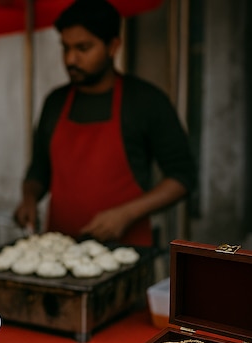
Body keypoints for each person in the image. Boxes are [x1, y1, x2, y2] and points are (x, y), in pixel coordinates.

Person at [13, 0, 197, 246]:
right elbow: (39, 168)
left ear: (113, 47)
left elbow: (182, 176)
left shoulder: (145, 101)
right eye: (65, 48)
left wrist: (126, 214)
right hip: (59, 250)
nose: (70, 59)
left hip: (127, 251)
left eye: (83, 48)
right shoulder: (55, 102)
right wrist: (29, 198)